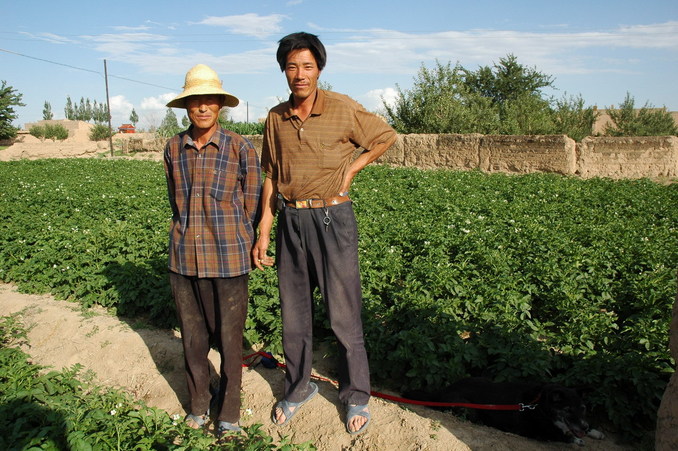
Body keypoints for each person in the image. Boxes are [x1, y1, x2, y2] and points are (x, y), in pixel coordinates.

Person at [252, 32, 397, 435]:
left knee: (343, 313)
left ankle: (356, 395)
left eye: (308, 66)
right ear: (284, 70)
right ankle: (298, 388)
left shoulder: (341, 108)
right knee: (293, 313)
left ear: (320, 69)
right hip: (291, 222)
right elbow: (271, 174)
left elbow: (384, 136)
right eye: (292, 66)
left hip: (333, 219)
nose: (300, 74)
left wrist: (351, 170)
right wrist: (264, 227)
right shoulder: (275, 117)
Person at [163, 64, 261, 437]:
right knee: (192, 337)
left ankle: (230, 413)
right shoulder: (174, 147)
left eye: (210, 101)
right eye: (195, 101)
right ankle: (200, 403)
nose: (202, 108)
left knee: (231, 339)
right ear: (186, 106)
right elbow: (176, 202)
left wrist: (236, 235)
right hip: (185, 255)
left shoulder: (240, 147)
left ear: (220, 105)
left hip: (228, 258)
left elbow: (251, 203)